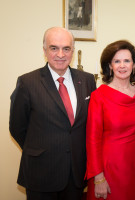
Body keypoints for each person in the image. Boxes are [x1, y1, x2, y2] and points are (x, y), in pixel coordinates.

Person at [9, 27, 96, 200]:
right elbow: (17, 127)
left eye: (66, 48)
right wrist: (40, 150)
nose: (60, 54)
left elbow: (90, 123)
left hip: (76, 173)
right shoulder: (27, 82)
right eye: (54, 48)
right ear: (44, 50)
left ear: (72, 50)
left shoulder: (87, 80)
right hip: (41, 172)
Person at [85, 40, 135, 200]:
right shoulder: (99, 96)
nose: (122, 65)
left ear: (134, 65)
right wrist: (98, 177)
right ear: (110, 66)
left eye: (127, 61)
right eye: (117, 61)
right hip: (108, 170)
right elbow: (92, 139)